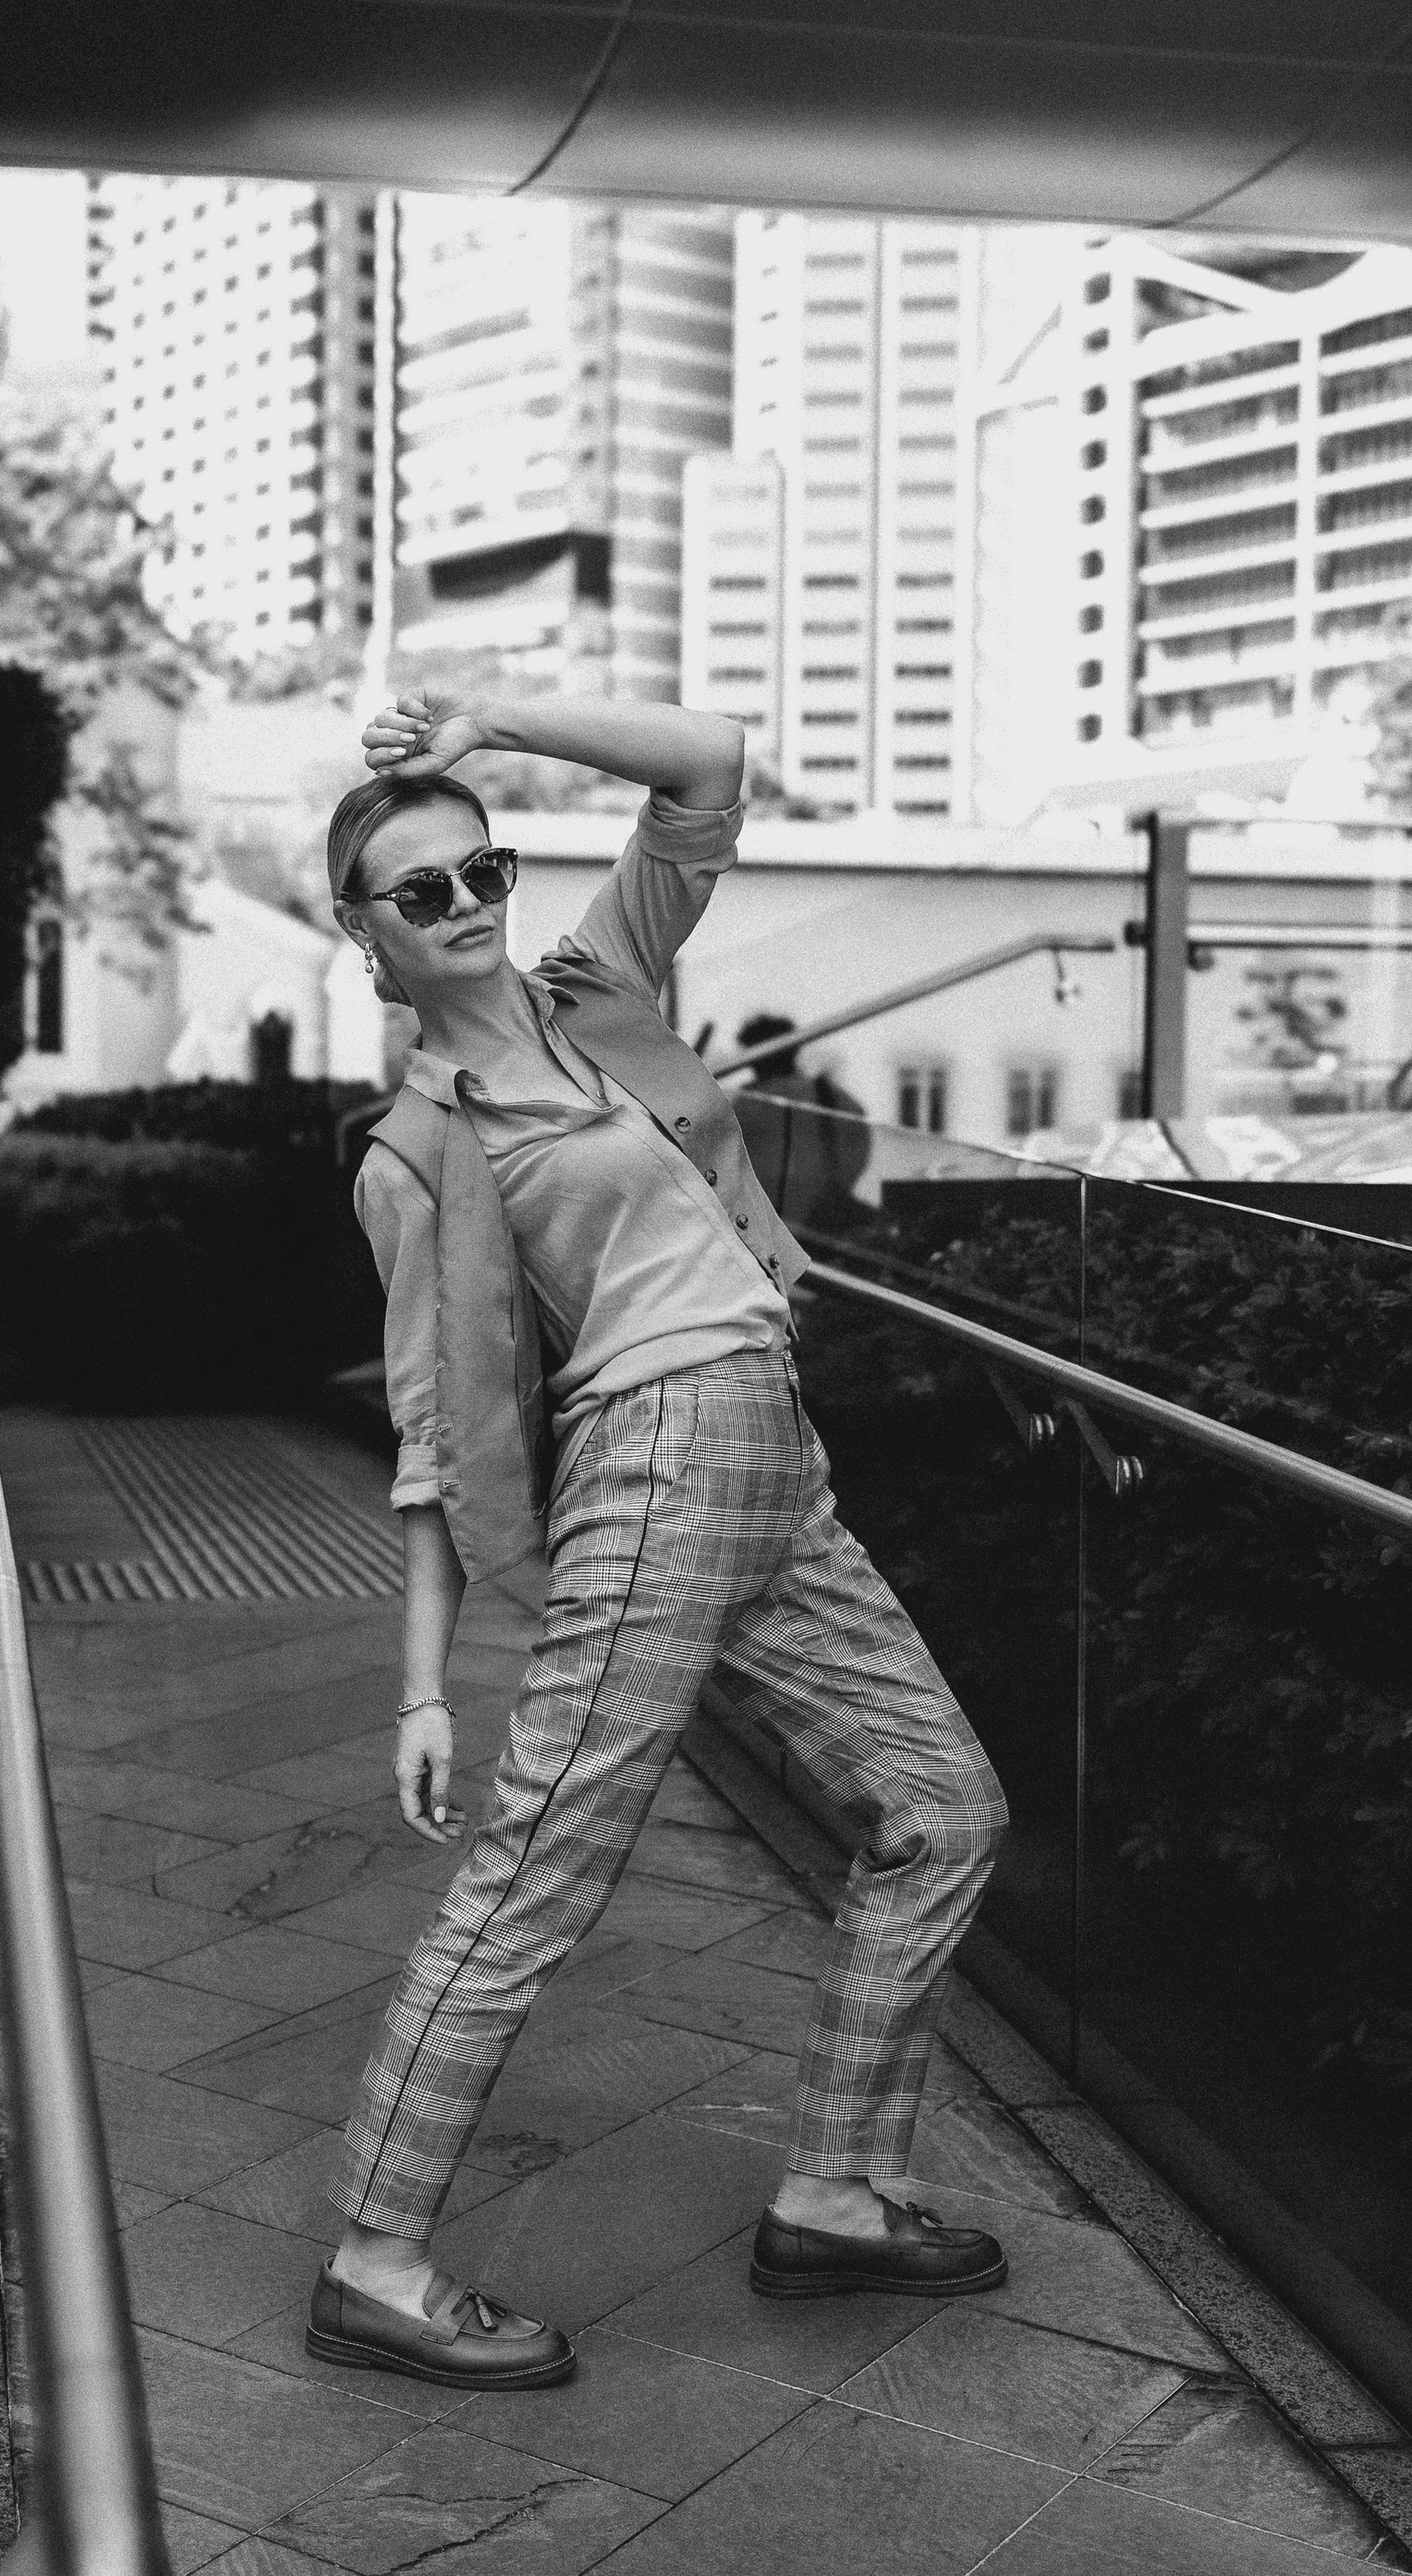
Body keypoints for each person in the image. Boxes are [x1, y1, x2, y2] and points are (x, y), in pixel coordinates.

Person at [310, 688, 1008, 2393]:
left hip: (778, 1454)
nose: (465, 904)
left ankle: (833, 2188)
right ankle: (376, 2260)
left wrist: (489, 719)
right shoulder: (418, 1152)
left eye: (484, 869)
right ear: (365, 935)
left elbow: (708, 768)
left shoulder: (600, 988)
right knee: (535, 1875)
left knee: (944, 1810)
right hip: (655, 1465)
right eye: (422, 891)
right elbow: (439, 1428)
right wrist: (423, 1690)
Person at [730, 1011, 872, 1234]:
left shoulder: (744, 1106)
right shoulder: (834, 1098)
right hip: (823, 1225)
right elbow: (857, 1156)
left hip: (764, 1227)